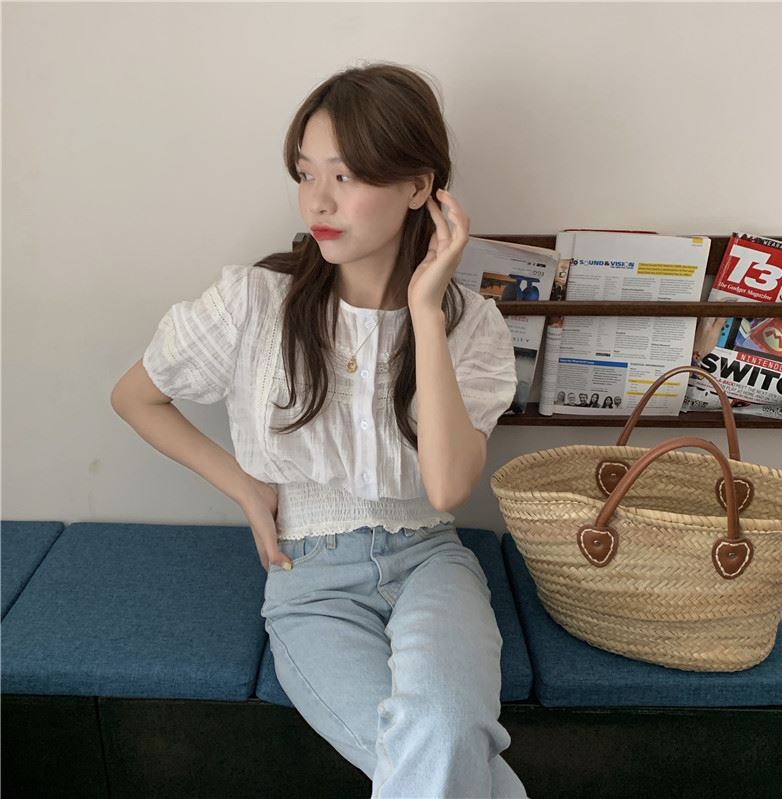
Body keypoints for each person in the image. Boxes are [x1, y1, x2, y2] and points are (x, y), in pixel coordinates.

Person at [110, 62, 527, 799]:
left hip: (431, 564)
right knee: (438, 754)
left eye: (346, 175)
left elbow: (446, 488)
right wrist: (245, 487)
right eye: (306, 174)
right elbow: (135, 396)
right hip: (309, 583)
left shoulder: (471, 326)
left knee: (441, 731)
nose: (318, 201)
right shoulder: (253, 303)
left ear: (419, 187)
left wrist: (426, 312)